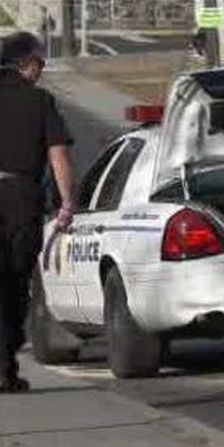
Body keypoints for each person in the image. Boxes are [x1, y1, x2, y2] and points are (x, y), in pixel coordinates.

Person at [0, 32, 74, 393]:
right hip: (20, 199)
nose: (42, 70)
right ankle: (4, 365)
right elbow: (57, 154)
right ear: (26, 64)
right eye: (41, 63)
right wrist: (67, 202)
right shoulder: (39, 101)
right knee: (15, 284)